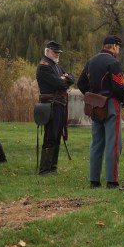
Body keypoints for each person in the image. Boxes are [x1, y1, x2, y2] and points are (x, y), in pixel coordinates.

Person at [77, 35, 124, 188]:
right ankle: (112, 181)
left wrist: (92, 95)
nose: (118, 50)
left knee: (97, 143)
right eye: (118, 47)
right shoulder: (113, 62)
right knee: (114, 144)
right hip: (111, 104)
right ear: (114, 46)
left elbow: (81, 83)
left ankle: (94, 180)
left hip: (95, 105)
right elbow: (118, 87)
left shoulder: (91, 61)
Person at [36, 40, 75, 175]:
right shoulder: (44, 66)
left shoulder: (56, 66)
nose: (57, 54)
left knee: (57, 135)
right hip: (50, 105)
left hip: (59, 104)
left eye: (58, 52)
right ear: (47, 51)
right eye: (55, 52)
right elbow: (59, 83)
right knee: (50, 136)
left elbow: (71, 77)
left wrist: (66, 79)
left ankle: (53, 167)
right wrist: (64, 80)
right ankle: (45, 169)